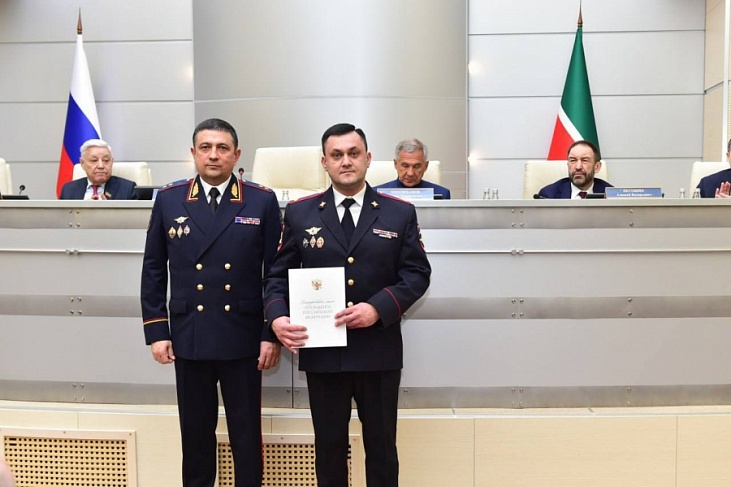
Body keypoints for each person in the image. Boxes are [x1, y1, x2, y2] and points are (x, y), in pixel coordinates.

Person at [264, 123, 431, 487]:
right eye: (336, 155)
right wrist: (277, 318)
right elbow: (277, 275)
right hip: (324, 354)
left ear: (368, 158)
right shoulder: (301, 213)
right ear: (324, 162)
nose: (346, 161)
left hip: (378, 351)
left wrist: (378, 308)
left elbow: (417, 274)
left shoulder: (398, 213)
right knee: (329, 451)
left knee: (382, 451)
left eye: (353, 153)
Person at [140, 118, 281, 487]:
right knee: (196, 437)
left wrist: (271, 333)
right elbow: (153, 269)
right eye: (205, 148)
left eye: (222, 148)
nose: (213, 155)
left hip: (243, 337)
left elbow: (276, 273)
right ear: (193, 153)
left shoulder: (261, 200)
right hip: (190, 335)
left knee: (245, 436)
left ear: (236, 154)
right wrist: (157, 331)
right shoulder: (169, 199)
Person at [59, 139, 137, 200]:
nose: (101, 166)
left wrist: (109, 210)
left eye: (106, 160)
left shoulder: (128, 189)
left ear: (112, 162)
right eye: (94, 160)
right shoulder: (68, 190)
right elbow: (62, 216)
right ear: (82, 163)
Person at [374, 138, 451, 199]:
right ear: (395, 164)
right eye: (405, 166)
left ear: (426, 166)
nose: (410, 173)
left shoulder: (442, 194)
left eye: (416, 167)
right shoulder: (376, 194)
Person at [537, 140, 613, 199]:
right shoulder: (549, 195)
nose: (578, 167)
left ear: (597, 167)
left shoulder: (611, 195)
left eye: (584, 160)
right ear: (568, 165)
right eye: (573, 160)